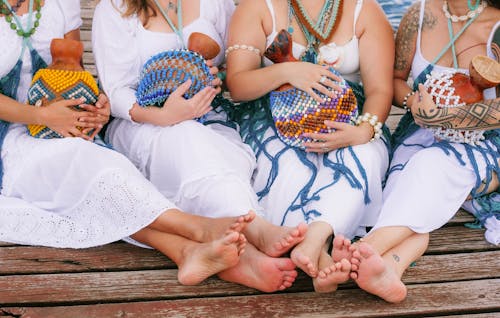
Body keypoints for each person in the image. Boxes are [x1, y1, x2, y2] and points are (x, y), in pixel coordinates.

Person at [0, 0, 257, 287]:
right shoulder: (112, 9)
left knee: (105, 172)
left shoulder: (60, 3)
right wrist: (39, 115)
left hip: (59, 123)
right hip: (11, 134)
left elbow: (76, 73)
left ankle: (185, 251)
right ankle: (198, 227)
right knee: (79, 164)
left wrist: (96, 107)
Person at [92, 0, 308, 293]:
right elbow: (115, 89)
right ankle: (253, 232)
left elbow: (237, 68)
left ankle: (238, 255)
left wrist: (217, 76)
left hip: (211, 116)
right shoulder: (115, 8)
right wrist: (163, 115)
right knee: (188, 141)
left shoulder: (214, 3)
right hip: (143, 123)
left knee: (221, 157)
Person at [225, 0, 394, 292]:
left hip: (349, 115)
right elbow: (238, 85)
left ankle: (317, 237)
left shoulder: (364, 10)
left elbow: (379, 90)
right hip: (275, 116)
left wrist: (363, 131)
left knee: (363, 157)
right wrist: (287, 73)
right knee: (288, 168)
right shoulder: (257, 6)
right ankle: (318, 251)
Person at [348, 0, 500, 303]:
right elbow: (396, 80)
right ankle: (392, 267)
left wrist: (447, 118)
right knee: (405, 186)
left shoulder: (497, 26)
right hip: (420, 132)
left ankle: (363, 250)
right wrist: (413, 104)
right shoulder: (417, 15)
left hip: (486, 142)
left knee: (429, 166)